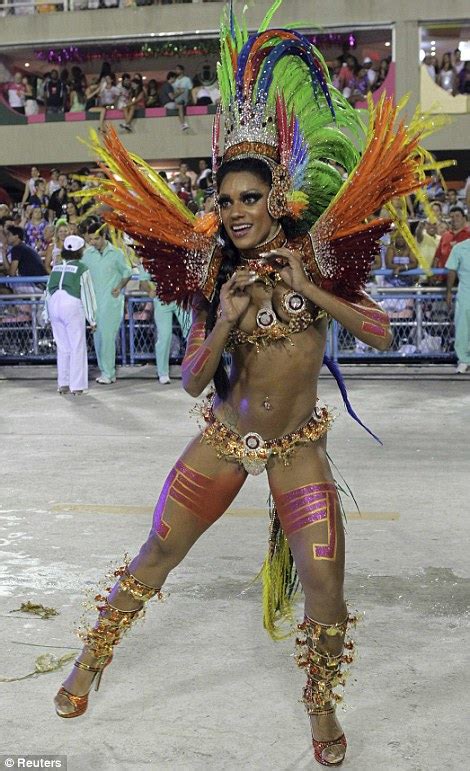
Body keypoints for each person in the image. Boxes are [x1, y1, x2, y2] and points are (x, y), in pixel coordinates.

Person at [53, 2, 444, 766]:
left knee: (325, 581)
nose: (234, 210)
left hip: (298, 446)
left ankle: (321, 700)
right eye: (224, 200)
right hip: (226, 439)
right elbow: (193, 381)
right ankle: (92, 657)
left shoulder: (320, 256)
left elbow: (382, 332)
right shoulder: (209, 273)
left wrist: (312, 287)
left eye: (248, 198)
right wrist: (228, 320)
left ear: (277, 198)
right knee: (157, 552)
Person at [44, 235, 97, 394]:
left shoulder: (56, 267)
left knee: (62, 346)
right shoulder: (82, 268)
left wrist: (47, 314)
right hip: (71, 305)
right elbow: (87, 294)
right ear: (80, 251)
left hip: (54, 305)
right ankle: (77, 386)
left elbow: (47, 292)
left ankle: (63, 384)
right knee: (77, 346)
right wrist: (92, 319)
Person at [81, 222, 132, 384]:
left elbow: (127, 272)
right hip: (94, 304)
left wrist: (119, 287)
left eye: (96, 238)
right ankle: (105, 371)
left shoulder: (116, 254)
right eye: (91, 239)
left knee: (108, 338)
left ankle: (108, 373)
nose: (93, 242)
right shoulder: (87, 255)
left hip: (111, 303)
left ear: (104, 237)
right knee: (98, 339)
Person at [446, 237, 470, 373]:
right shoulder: (459, 248)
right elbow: (452, 271)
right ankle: (464, 360)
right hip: (466, 296)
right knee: (463, 328)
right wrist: (448, 291)